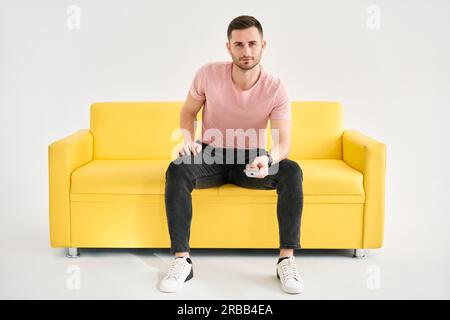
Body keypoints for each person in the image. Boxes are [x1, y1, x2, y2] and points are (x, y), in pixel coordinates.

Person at [159, 15, 304, 294]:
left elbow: (284, 143)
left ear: (263, 45)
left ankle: (286, 259)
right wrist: (188, 140)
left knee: (291, 171)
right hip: (210, 155)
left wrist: (269, 159)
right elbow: (188, 112)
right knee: (177, 168)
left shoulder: (276, 87)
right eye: (239, 45)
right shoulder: (207, 74)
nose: (246, 51)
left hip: (252, 158)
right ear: (229, 48)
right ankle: (182, 260)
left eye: (252, 44)